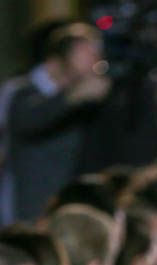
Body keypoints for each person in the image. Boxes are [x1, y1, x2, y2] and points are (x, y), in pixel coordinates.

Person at [5, 23, 110, 221]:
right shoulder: (24, 94)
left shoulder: (87, 103)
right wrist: (73, 96)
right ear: (55, 61)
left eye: (96, 55)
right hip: (29, 209)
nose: (94, 63)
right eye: (85, 55)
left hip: (67, 206)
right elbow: (31, 121)